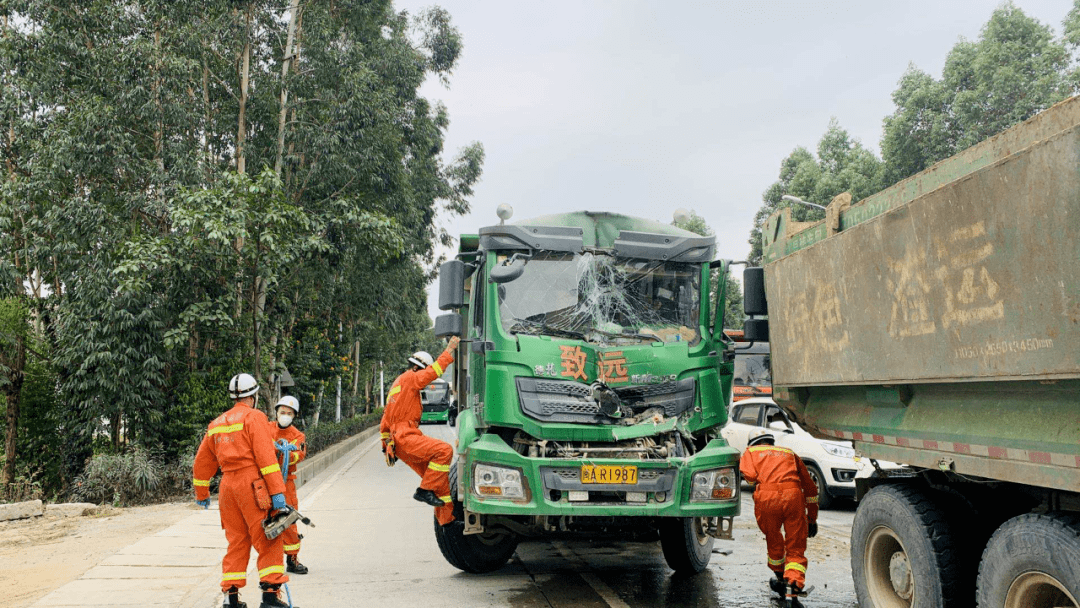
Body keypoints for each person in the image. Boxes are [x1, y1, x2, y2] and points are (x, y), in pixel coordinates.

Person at [193, 373, 294, 608]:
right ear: (254, 395)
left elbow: (202, 462)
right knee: (268, 536)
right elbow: (266, 458)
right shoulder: (254, 417)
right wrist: (278, 493)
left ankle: (232, 599)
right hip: (252, 484)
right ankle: (270, 596)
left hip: (227, 487)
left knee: (236, 541)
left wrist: (202, 493)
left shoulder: (216, 424)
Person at [380, 337, 460, 525]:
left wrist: (386, 446)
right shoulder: (411, 377)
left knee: (437, 480)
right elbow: (433, 372)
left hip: (397, 441)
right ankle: (423, 491)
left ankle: (447, 522)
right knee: (444, 451)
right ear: (417, 367)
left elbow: (384, 420)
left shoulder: (396, 386)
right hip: (406, 435)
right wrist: (449, 351)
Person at [739, 429, 819, 603]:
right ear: (771, 441)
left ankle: (781, 578)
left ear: (752, 442)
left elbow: (751, 478)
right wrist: (812, 518)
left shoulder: (750, 452)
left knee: (774, 540)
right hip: (794, 496)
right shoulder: (789, 452)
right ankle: (792, 588)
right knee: (796, 546)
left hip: (767, 498)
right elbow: (810, 489)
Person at [270, 395, 308, 575]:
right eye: (282, 412)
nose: (285, 415)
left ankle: (292, 559)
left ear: (294, 416)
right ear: (276, 413)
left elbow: (298, 455)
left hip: (286, 484)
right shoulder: (265, 429)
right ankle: (269, 561)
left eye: (289, 413)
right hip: (264, 483)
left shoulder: (297, 436)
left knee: (289, 520)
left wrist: (280, 452)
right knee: (266, 521)